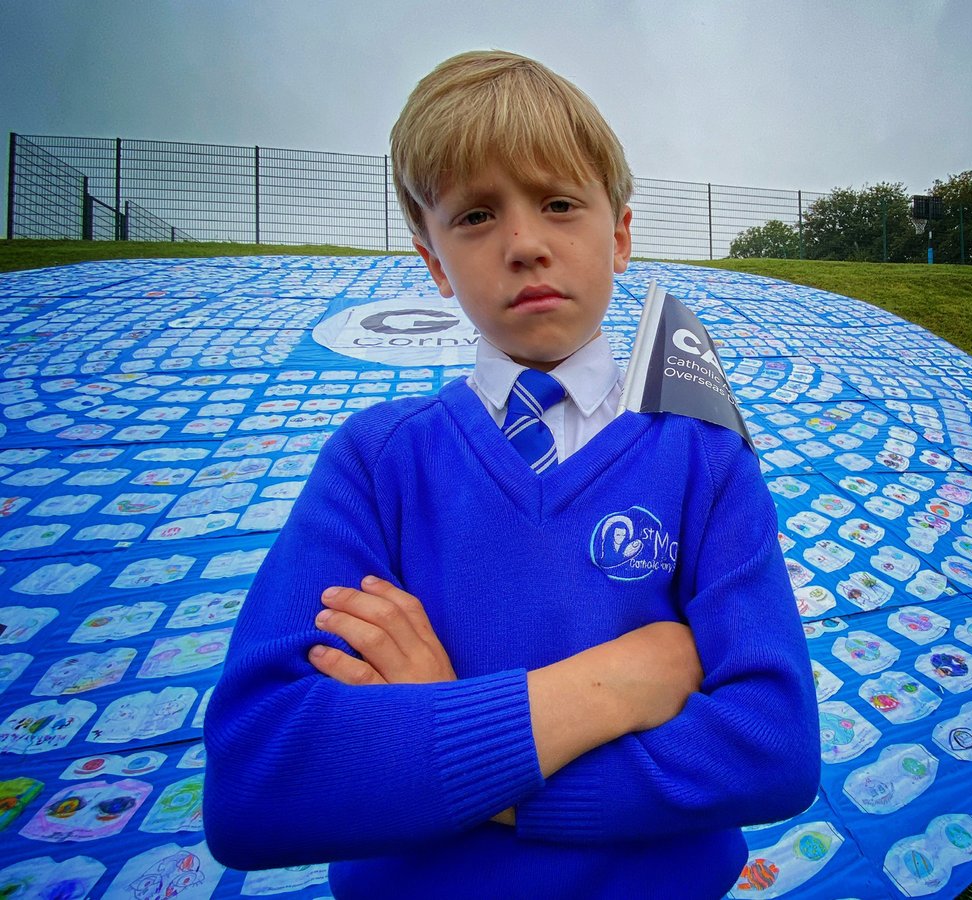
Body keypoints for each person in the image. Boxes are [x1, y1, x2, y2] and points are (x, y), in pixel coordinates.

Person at [204, 50, 819, 899]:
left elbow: (773, 748)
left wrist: (450, 743)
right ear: (432, 262)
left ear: (622, 234)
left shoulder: (703, 455)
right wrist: (605, 690)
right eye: (475, 216)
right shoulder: (378, 460)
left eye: (560, 203)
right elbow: (258, 781)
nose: (525, 244)